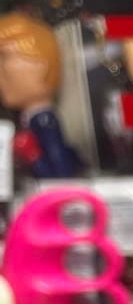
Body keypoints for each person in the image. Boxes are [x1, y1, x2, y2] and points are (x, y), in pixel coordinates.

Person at [0, 13, 82, 179]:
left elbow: (61, 174)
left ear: (41, 65)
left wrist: (32, 153)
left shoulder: (43, 121)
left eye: (4, 57)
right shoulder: (30, 120)